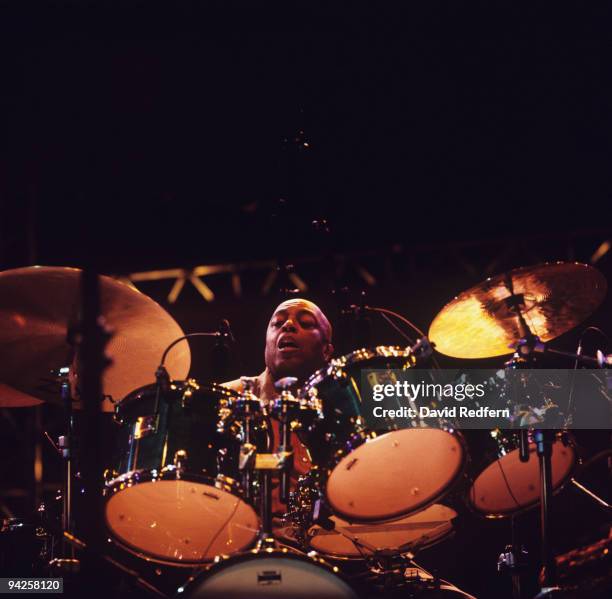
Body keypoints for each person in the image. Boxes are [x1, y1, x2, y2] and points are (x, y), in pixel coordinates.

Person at [223, 297, 334, 513]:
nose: (289, 325)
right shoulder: (228, 399)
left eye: (306, 323)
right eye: (278, 322)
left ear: (327, 352)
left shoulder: (342, 413)